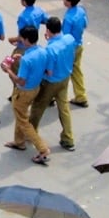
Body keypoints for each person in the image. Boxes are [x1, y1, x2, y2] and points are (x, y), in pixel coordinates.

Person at [30, 16, 76, 151]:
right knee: (64, 108)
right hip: (65, 77)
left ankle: (31, 133)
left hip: (51, 81)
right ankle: (68, 137)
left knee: (38, 107)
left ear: (48, 30)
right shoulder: (69, 39)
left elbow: (48, 71)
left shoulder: (51, 49)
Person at [7, 25, 51, 165]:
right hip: (35, 88)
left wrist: (8, 70)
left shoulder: (27, 60)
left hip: (23, 91)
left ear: (26, 40)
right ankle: (19, 141)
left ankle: (42, 149)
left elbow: (20, 80)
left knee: (23, 121)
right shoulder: (42, 52)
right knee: (20, 115)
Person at [63, 0, 90, 108]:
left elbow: (65, 37)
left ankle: (54, 96)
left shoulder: (68, 17)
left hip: (70, 49)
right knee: (76, 71)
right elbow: (85, 24)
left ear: (68, 1)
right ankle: (80, 95)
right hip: (78, 44)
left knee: (62, 72)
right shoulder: (81, 11)